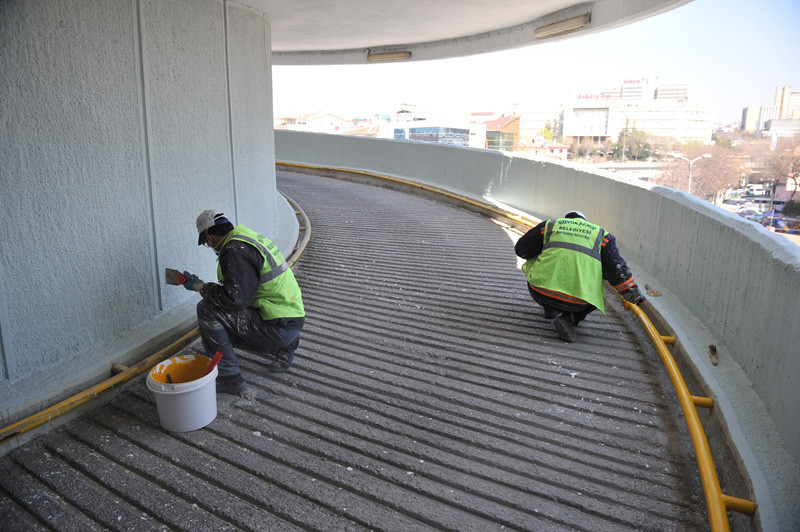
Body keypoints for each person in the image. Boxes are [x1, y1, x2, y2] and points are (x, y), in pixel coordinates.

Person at [183, 210, 305, 394]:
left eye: (207, 243)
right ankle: (284, 347)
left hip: (278, 327)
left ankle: (229, 378)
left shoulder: (234, 250)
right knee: (221, 326)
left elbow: (234, 300)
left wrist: (201, 287)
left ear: (210, 237)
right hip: (290, 318)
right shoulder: (247, 238)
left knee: (207, 310)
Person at [514, 210, 645, 343]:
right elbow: (617, 271)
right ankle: (570, 318)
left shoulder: (551, 225)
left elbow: (521, 250)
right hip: (579, 302)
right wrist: (635, 296)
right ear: (584, 222)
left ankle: (550, 308)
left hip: (540, 292)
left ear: (567, 219)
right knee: (598, 284)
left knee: (538, 258)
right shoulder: (602, 236)